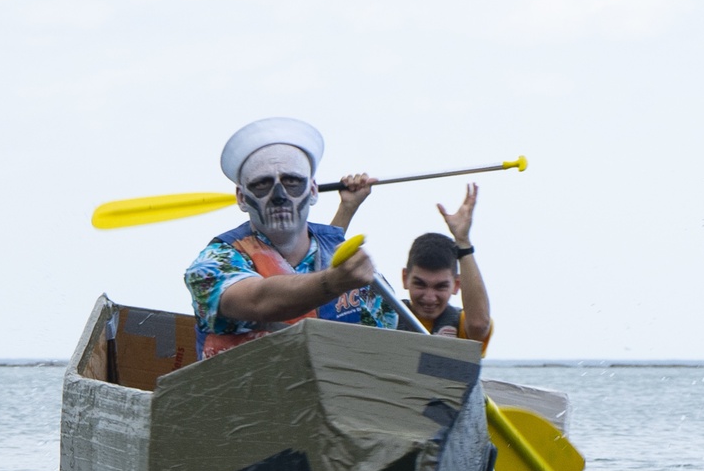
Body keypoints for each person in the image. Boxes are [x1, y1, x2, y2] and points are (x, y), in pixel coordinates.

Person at [184, 118, 398, 359]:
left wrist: (346, 210)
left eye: (292, 181)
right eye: (262, 184)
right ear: (242, 198)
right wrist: (334, 282)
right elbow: (259, 300)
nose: (279, 196)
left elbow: (386, 348)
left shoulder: (346, 266)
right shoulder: (213, 264)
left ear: (313, 191)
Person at [400, 186, 492, 350]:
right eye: (420, 284)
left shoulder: (463, 324)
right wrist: (347, 208)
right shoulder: (382, 316)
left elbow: (479, 325)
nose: (429, 298)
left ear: (457, 285)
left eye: (440, 286)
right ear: (405, 278)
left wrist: (462, 241)